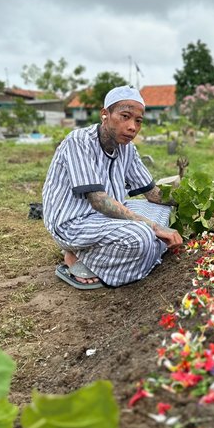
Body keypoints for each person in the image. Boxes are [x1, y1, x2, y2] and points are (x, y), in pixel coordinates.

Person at [42, 85, 183, 290]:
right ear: (105, 114)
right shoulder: (79, 142)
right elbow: (99, 200)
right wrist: (153, 227)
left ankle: (89, 251)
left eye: (138, 121)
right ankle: (78, 255)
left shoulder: (128, 148)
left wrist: (199, 202)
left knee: (164, 210)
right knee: (143, 237)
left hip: (104, 219)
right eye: (125, 116)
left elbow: (153, 194)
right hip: (73, 222)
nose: (132, 126)